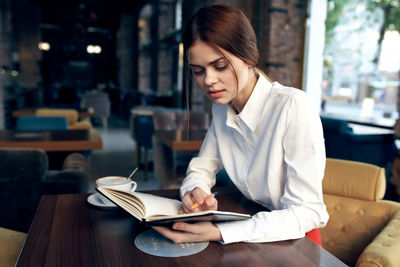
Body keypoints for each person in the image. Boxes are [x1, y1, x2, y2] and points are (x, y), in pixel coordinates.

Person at [153, 4, 329, 245]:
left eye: (220, 66)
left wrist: (221, 232)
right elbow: (201, 169)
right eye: (198, 71)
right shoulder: (221, 109)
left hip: (297, 241)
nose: (208, 81)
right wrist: (195, 192)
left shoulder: (293, 107)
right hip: (254, 227)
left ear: (248, 57)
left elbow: (307, 213)